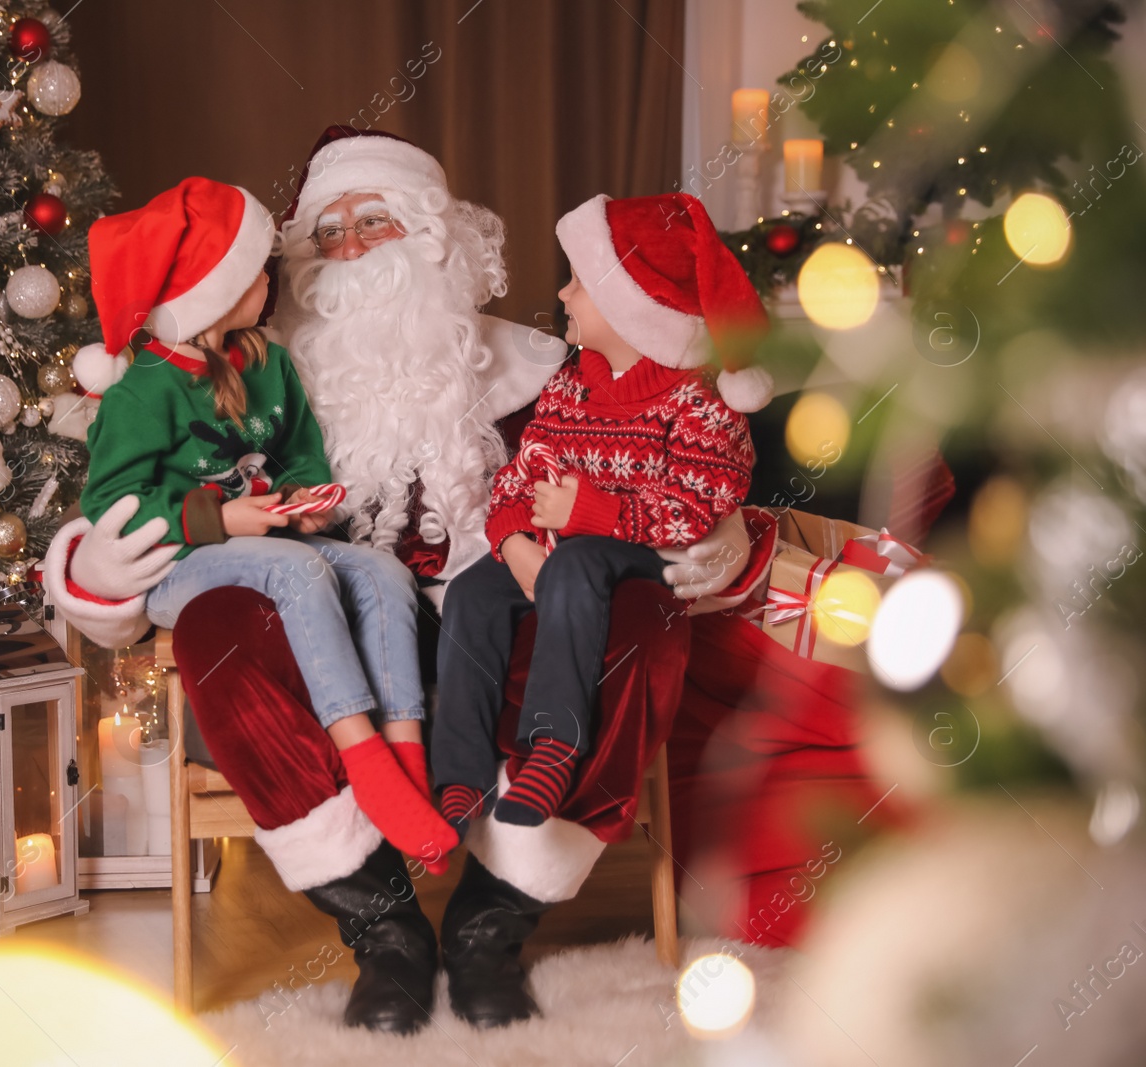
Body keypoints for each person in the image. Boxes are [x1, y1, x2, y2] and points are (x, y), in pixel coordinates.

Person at [45, 130, 769, 1034]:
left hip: (510, 623)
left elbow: (663, 467)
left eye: (374, 223)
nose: (349, 250)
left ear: (431, 236)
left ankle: (490, 921)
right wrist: (102, 564)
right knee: (217, 621)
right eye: (329, 232)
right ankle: (384, 929)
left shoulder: (539, 369)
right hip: (329, 635)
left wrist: (706, 539)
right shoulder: (251, 368)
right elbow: (128, 490)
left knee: (647, 618)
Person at [75, 177, 457, 873]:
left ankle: (408, 760)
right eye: (252, 270)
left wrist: (299, 497)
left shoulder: (269, 364)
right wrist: (220, 516)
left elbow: (300, 451)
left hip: (269, 541)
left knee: (380, 570)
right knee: (297, 567)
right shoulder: (142, 390)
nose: (268, 279)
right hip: (178, 566)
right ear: (210, 290)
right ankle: (363, 757)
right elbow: (111, 501)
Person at [434, 192, 767, 834]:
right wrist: (510, 541)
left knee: (580, 561)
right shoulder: (571, 386)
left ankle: (555, 745)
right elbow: (519, 477)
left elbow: (696, 509)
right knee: (475, 591)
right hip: (562, 550)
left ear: (631, 306)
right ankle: (460, 772)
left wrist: (587, 510)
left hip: (646, 559)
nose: (562, 295)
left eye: (579, 283)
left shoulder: (698, 402)